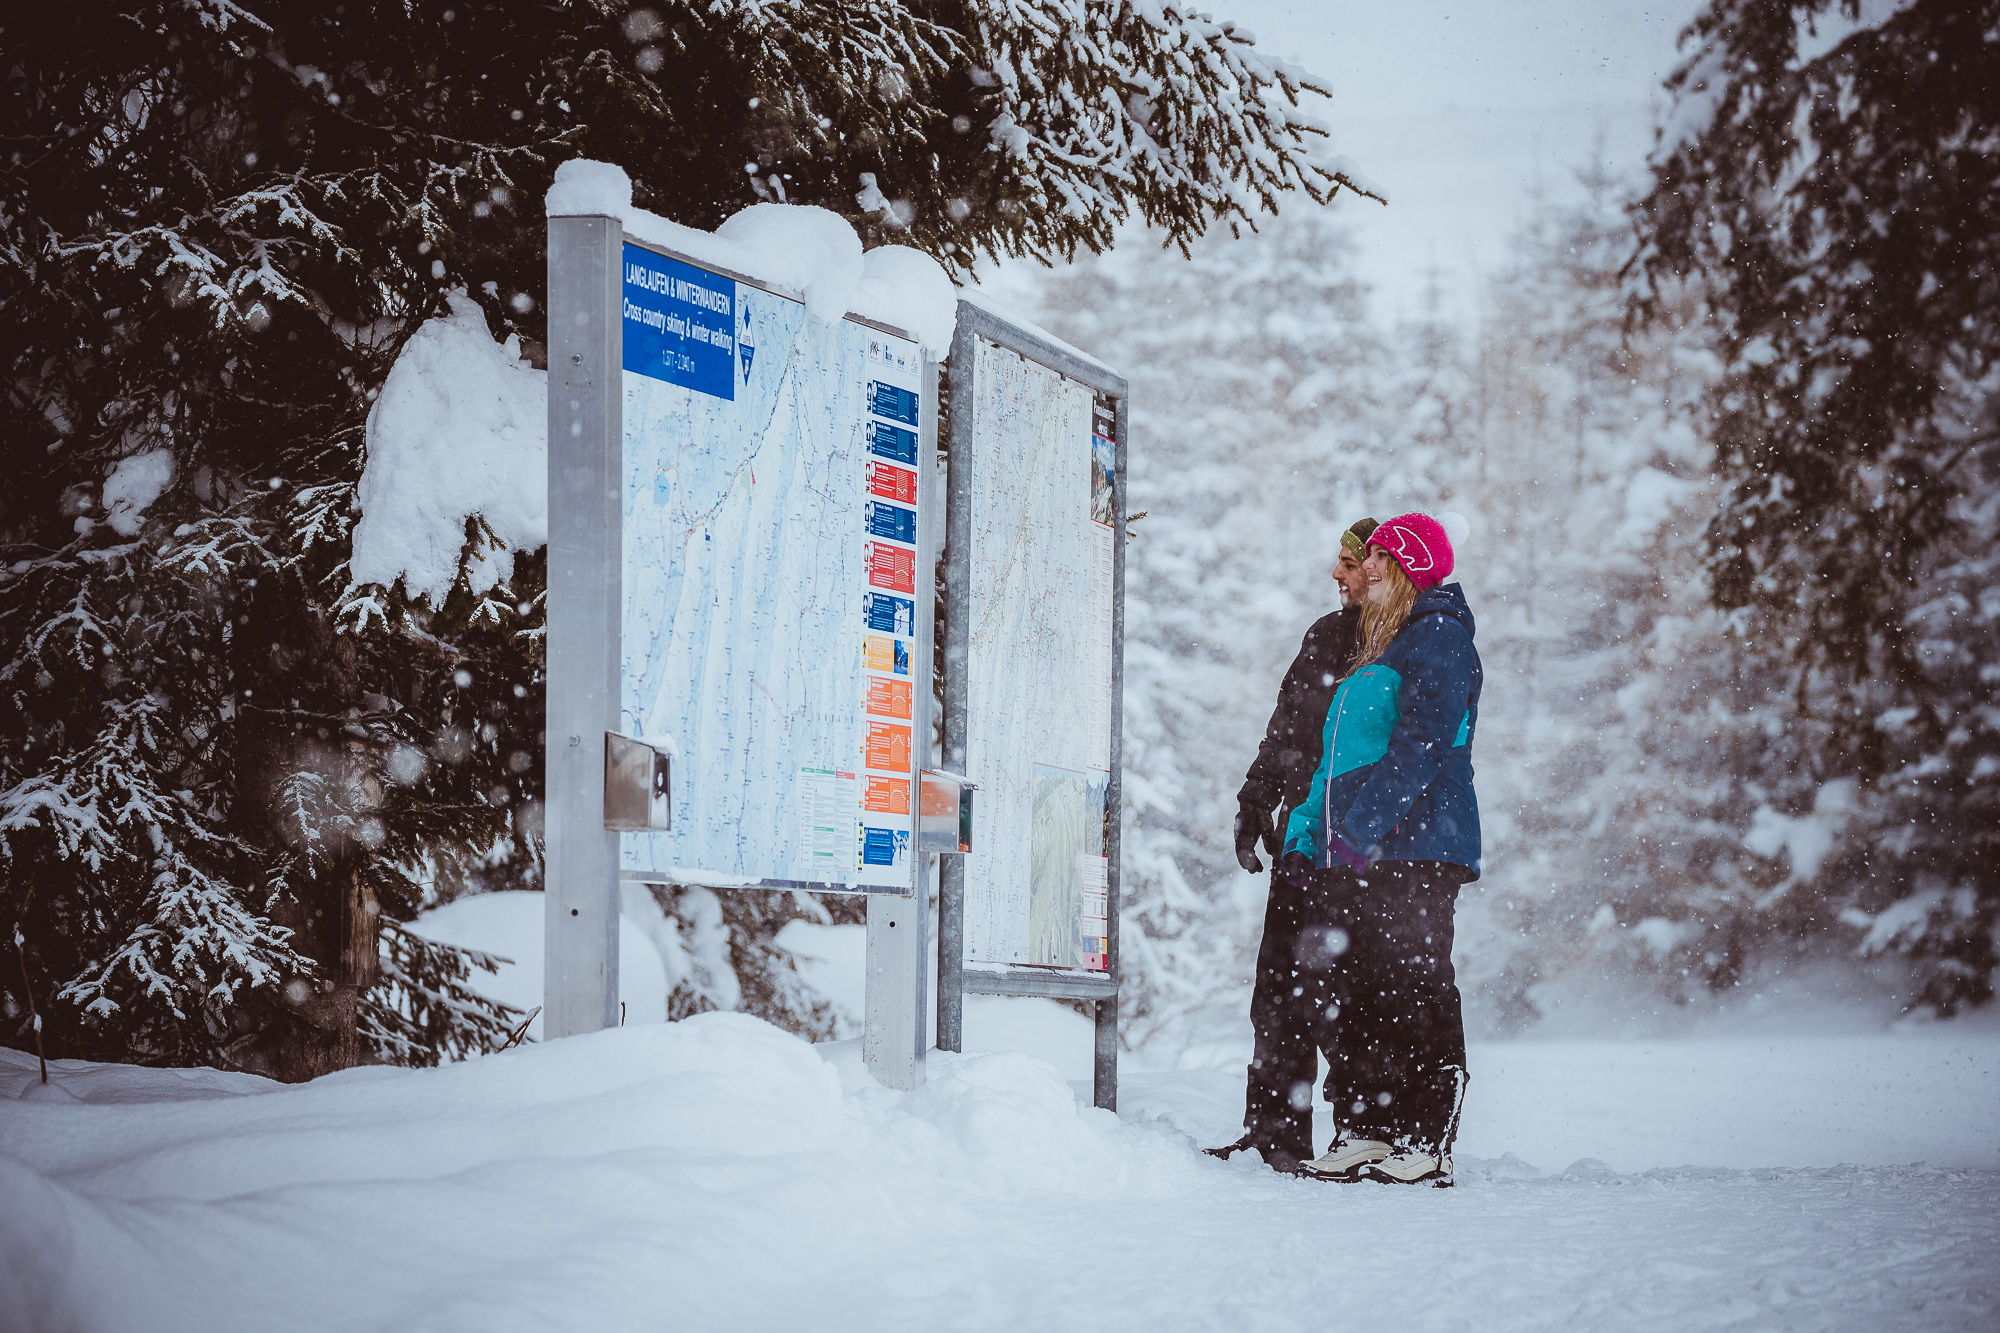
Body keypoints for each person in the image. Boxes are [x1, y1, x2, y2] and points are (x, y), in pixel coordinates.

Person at [1278, 511, 1482, 1187]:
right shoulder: (1380, 651)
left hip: (1418, 845)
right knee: (1361, 988)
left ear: (1402, 569)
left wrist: (1358, 831)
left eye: (1376, 562)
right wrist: (1308, 834)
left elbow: (1419, 748)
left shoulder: (1440, 639)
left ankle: (1426, 1137)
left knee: (1417, 985)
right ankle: (1369, 1126)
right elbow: (1340, 762)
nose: (1362, 571)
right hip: (1364, 850)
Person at [1205, 516, 1378, 1174]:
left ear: (1382, 567)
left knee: (1341, 994)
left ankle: (1365, 1135)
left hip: (1358, 851)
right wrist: (1256, 799)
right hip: (1301, 839)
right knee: (1277, 988)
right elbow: (1287, 726)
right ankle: (1274, 1135)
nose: (1335, 573)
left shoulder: (1400, 647)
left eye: (1349, 561)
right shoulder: (1327, 635)